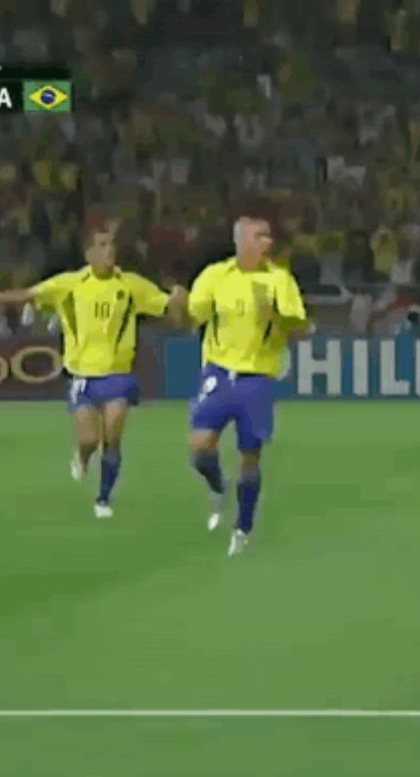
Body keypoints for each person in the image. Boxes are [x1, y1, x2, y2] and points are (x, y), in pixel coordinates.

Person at [0, 219, 188, 518]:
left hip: (118, 374)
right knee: (90, 440)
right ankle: (82, 456)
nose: (109, 251)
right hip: (82, 375)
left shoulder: (130, 285)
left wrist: (178, 301)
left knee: (112, 438)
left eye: (111, 245)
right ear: (88, 254)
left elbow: (170, 311)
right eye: (101, 246)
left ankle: (103, 499)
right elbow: (26, 295)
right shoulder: (69, 284)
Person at [186, 213, 310, 556]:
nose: (267, 242)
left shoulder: (280, 280)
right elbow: (191, 317)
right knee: (199, 449)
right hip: (218, 372)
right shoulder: (215, 275)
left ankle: (242, 526)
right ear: (240, 242)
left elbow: (299, 327)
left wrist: (274, 316)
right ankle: (216, 486)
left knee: (249, 458)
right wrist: (179, 306)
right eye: (259, 236)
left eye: (268, 236)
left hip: (257, 377)